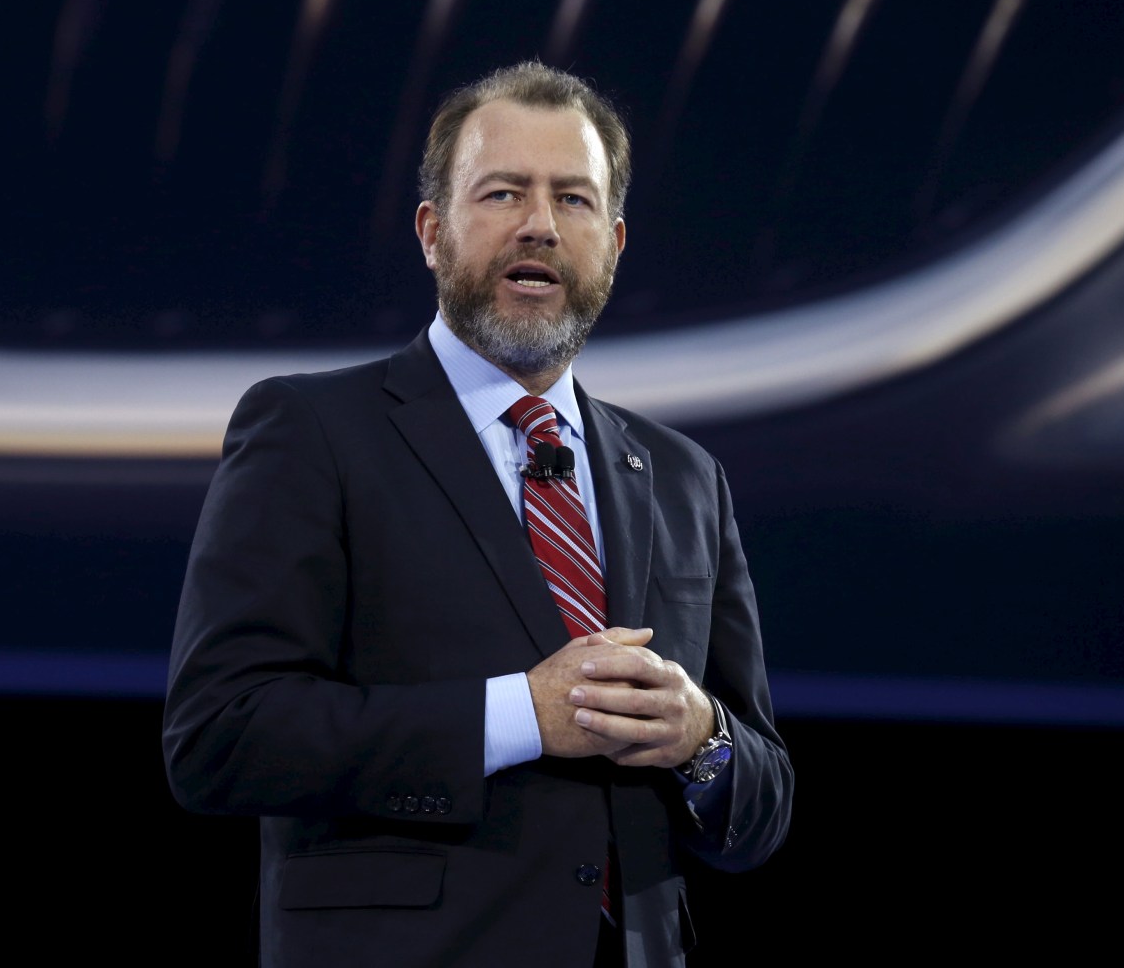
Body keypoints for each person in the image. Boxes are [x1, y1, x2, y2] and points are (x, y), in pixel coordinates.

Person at [163, 61, 793, 968]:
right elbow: (221, 735)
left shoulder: (684, 476)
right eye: (503, 192)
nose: (539, 223)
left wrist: (701, 740)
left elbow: (762, 805)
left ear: (613, 242)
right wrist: (521, 716)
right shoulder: (312, 431)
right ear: (432, 231)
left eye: (573, 200)